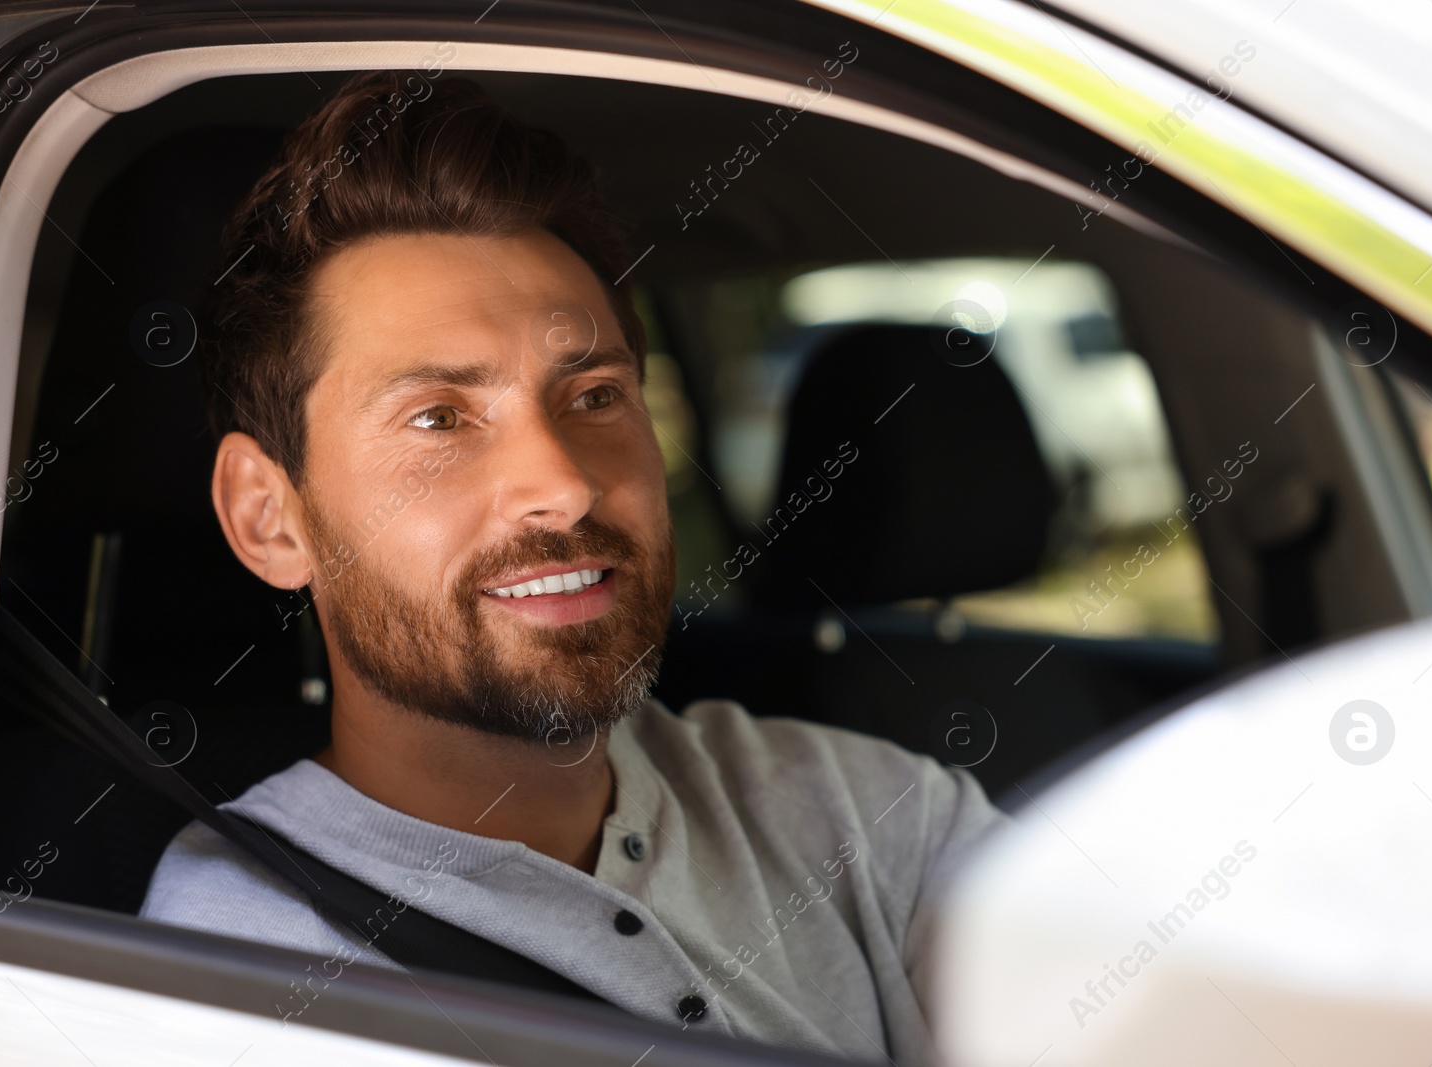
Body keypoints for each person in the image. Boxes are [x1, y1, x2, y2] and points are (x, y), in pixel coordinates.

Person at [141, 70, 1005, 1063]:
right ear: (270, 518)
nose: (560, 485)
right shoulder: (241, 974)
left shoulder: (857, 805)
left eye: (593, 395)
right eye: (438, 418)